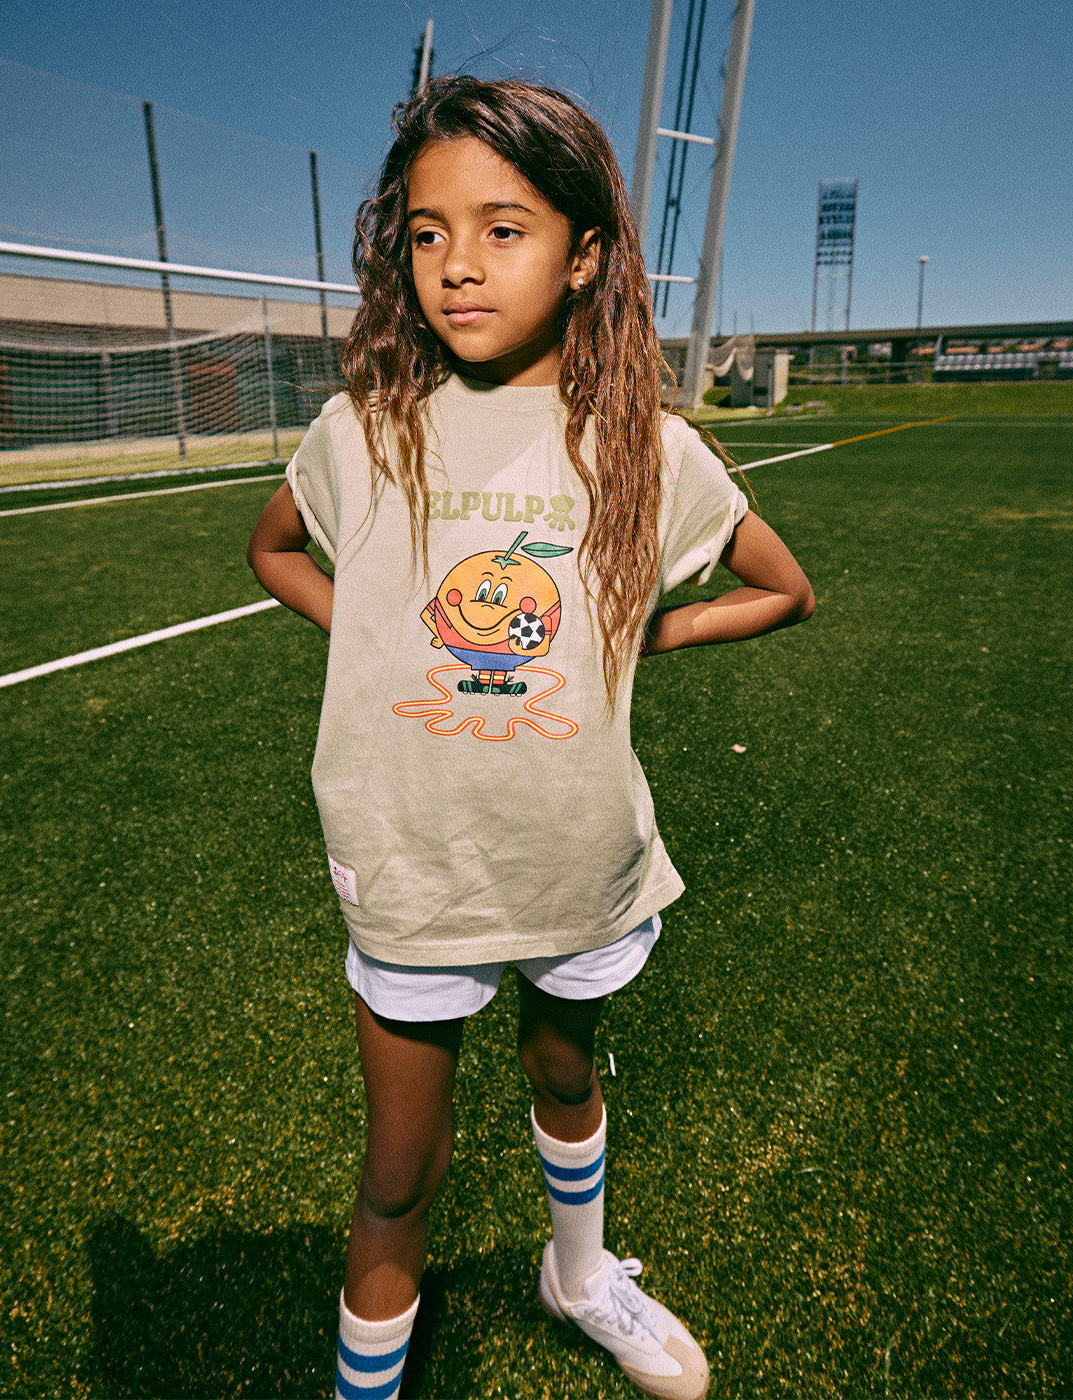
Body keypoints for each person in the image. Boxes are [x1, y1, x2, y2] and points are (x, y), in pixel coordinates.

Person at [248, 75, 813, 1400]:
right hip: (408, 865)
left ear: (586, 255)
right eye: (428, 232)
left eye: (503, 228)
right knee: (399, 1171)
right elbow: (274, 551)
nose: (457, 265)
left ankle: (578, 1270)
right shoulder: (359, 427)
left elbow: (782, 587)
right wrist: (376, 634)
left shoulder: (646, 450)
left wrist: (630, 641)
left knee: (566, 1066)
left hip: (574, 854)